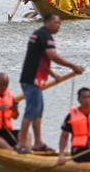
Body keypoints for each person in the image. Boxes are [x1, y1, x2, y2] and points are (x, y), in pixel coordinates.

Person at [17, 14, 84, 154]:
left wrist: (53, 74)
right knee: (31, 111)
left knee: (38, 112)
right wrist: (73, 66)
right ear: (47, 22)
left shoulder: (39, 34)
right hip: (31, 79)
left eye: (60, 23)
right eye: (56, 23)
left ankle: (38, 142)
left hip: (35, 79)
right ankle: (21, 143)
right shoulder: (44, 35)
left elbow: (39, 59)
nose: (58, 26)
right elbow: (52, 56)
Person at [57, 87, 90, 165]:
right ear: (79, 99)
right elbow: (64, 136)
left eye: (89, 97)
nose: (87, 100)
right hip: (79, 151)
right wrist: (61, 154)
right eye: (84, 97)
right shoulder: (71, 116)